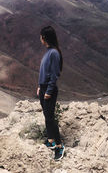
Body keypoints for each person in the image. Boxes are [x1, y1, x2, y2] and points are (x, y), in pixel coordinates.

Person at [37, 26, 65, 161]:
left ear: (44, 37)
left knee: (50, 118)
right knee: (47, 116)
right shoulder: (48, 51)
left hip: (49, 90)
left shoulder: (53, 53)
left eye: (41, 36)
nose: (40, 38)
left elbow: (54, 75)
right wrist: (39, 86)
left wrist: (48, 91)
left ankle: (59, 146)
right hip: (43, 88)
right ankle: (51, 140)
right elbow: (44, 71)